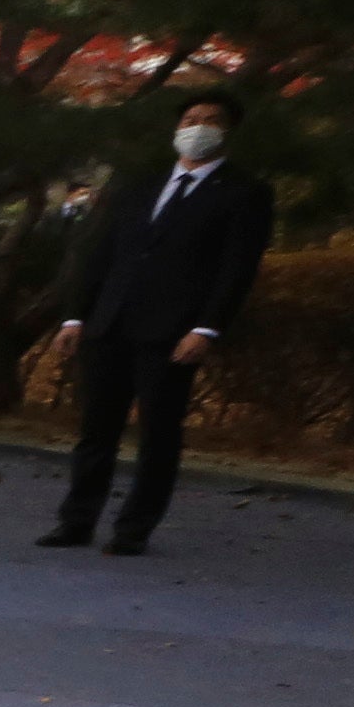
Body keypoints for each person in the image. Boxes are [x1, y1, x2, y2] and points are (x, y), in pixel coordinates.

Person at [41, 84, 270, 554]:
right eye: (189, 120)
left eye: (210, 120)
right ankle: (76, 521)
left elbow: (236, 268)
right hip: (110, 323)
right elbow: (99, 254)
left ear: (228, 132)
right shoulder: (138, 187)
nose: (196, 128)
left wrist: (207, 327)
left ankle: (133, 529)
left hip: (173, 332)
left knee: (159, 434)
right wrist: (74, 317)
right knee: (95, 431)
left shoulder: (245, 193)